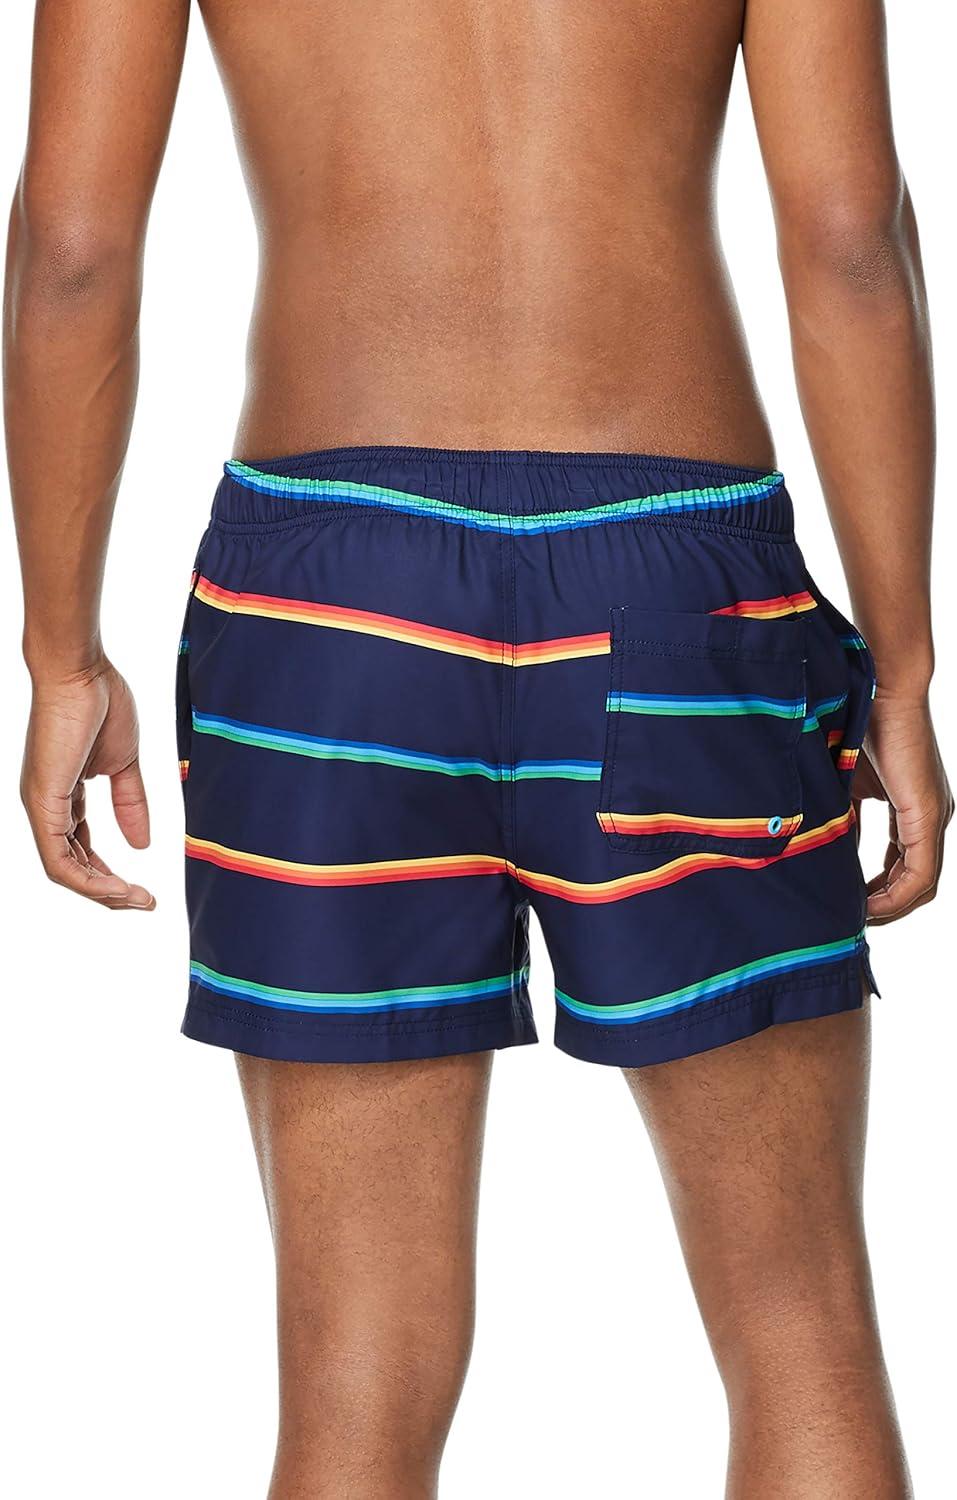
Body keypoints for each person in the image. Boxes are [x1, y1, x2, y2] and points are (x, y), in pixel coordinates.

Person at [6, 1, 951, 1495]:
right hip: (675, 585)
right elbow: (847, 241)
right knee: (798, 1322)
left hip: (328, 611)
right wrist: (901, 665)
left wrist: (60, 650)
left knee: (352, 1377)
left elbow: (69, 248)